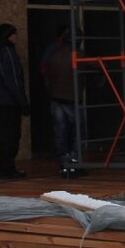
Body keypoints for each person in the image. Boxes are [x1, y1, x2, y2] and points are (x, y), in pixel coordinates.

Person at [0, 23, 29, 179]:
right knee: (11, 135)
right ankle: (8, 168)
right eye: (15, 34)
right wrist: (22, 101)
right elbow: (13, 80)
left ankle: (4, 168)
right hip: (9, 102)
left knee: (3, 135)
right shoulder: (7, 52)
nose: (17, 37)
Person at [41, 25, 82, 177]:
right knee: (77, 133)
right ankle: (75, 163)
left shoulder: (53, 55)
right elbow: (97, 66)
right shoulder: (77, 55)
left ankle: (64, 164)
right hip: (72, 99)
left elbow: (46, 75)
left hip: (56, 98)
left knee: (61, 133)